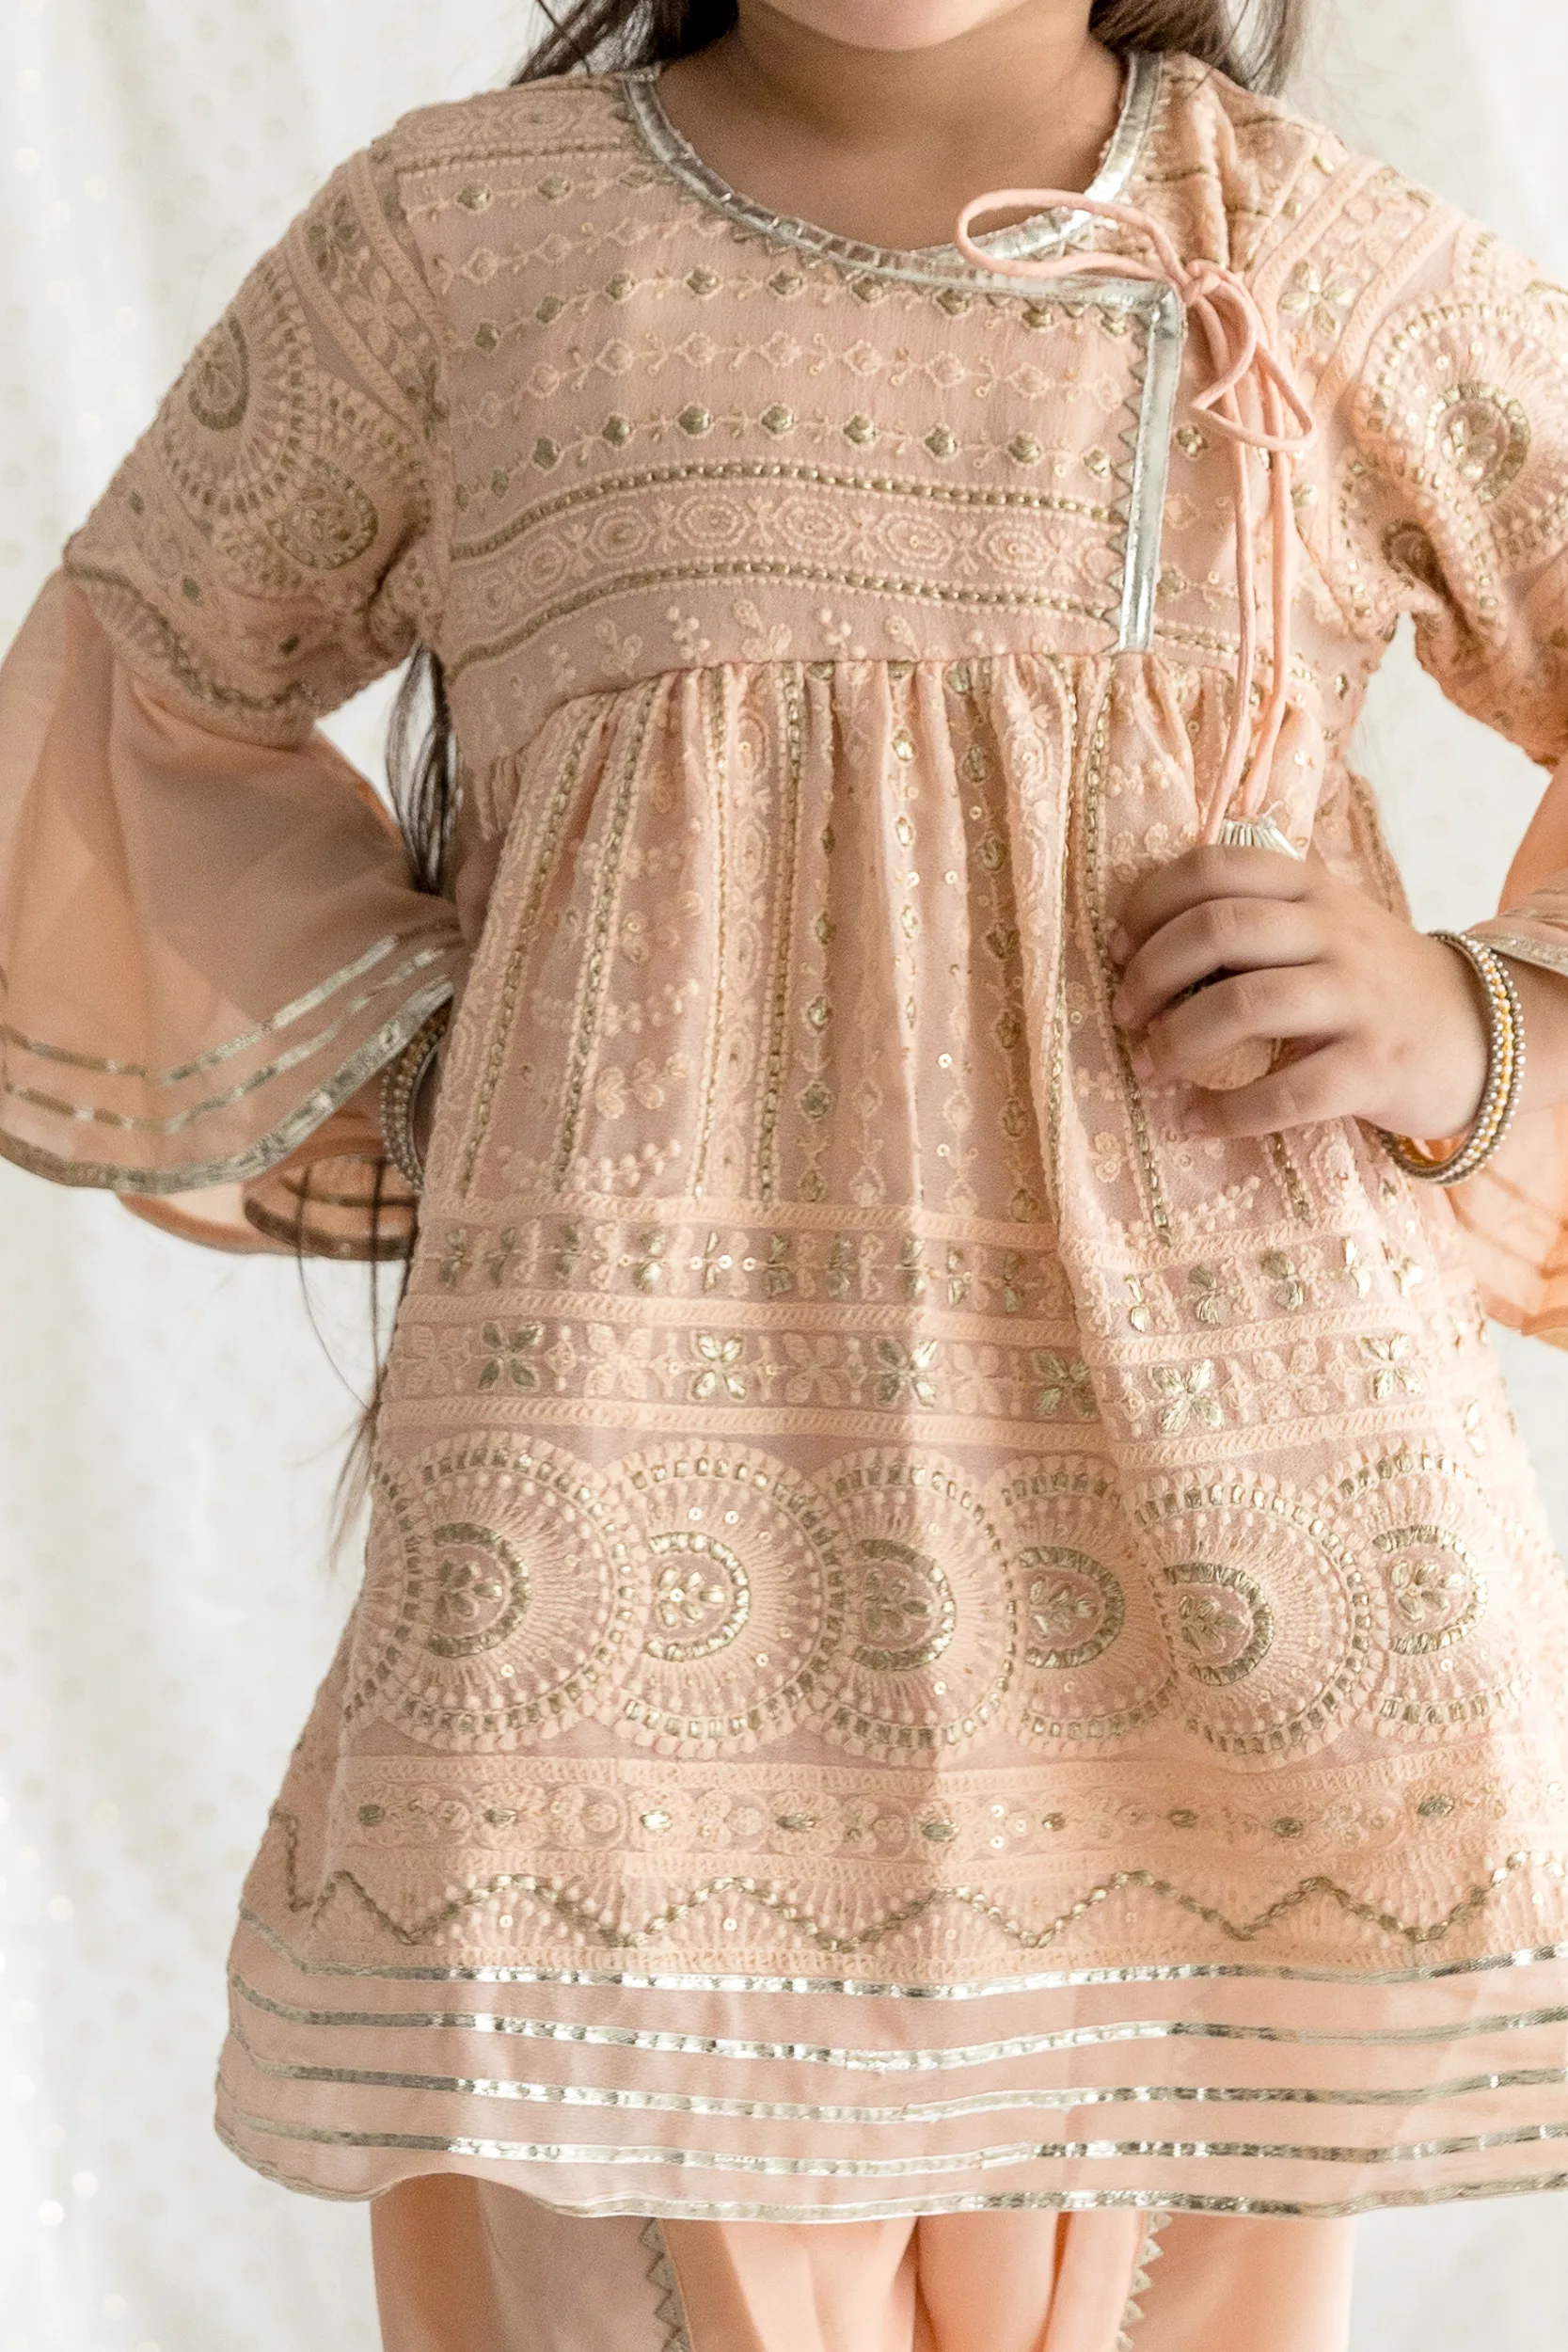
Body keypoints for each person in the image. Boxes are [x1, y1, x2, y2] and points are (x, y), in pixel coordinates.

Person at [8, 0, 1568, 2342]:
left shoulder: (1303, 259)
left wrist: (1463, 1023)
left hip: (1215, 1607)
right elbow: (133, 685)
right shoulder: (462, 243)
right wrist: (462, 1072)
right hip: (610, 1628)